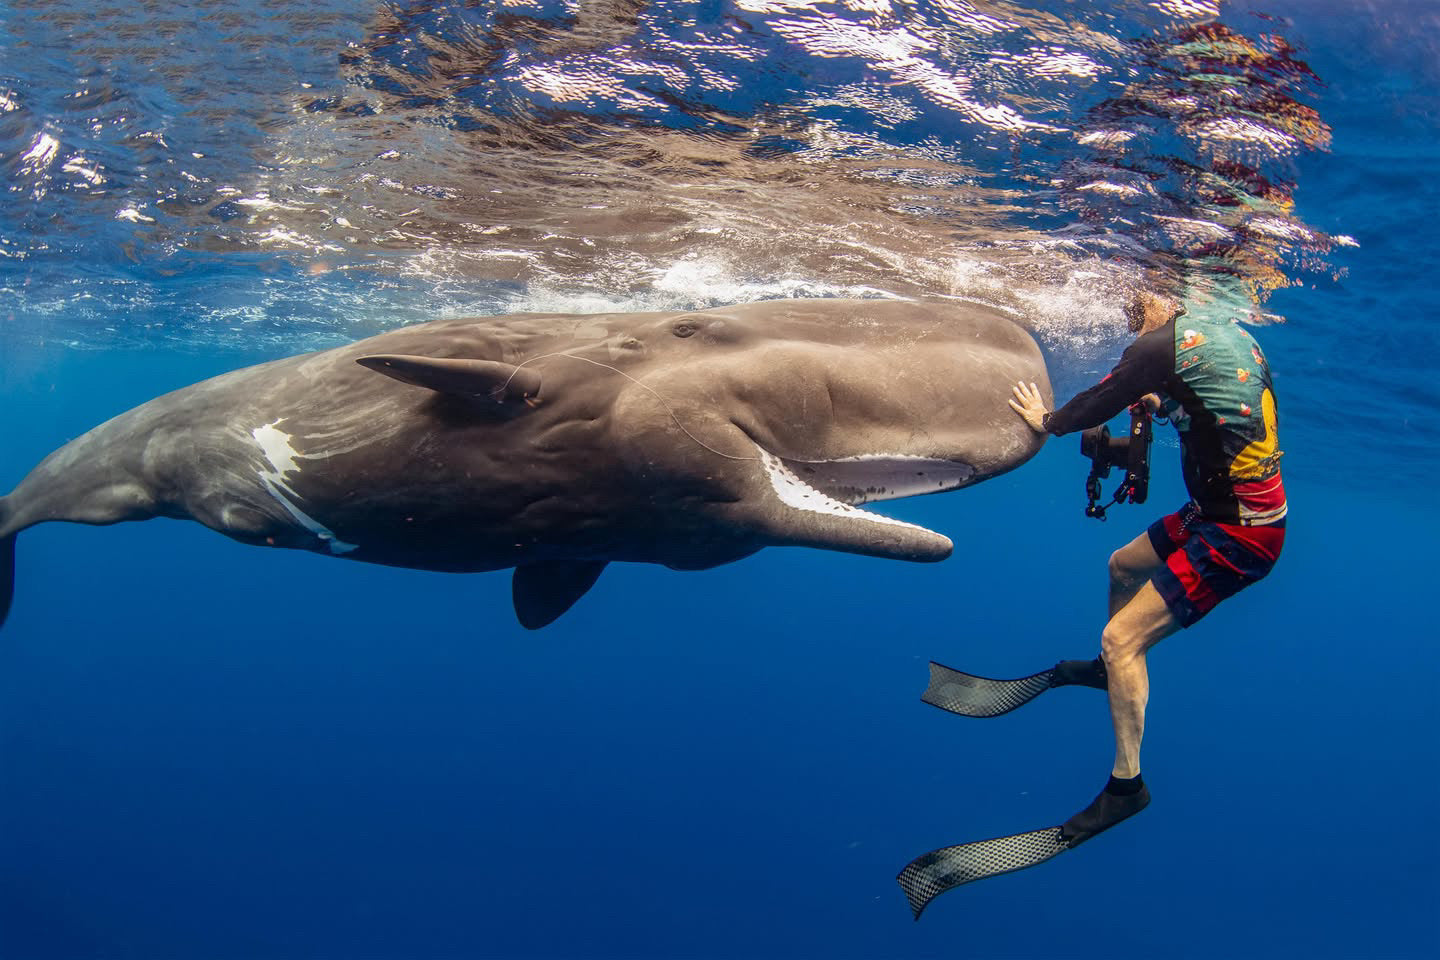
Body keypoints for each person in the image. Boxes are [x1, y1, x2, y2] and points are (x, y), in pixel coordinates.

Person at [1007, 291, 1287, 845]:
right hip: (1220, 510)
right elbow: (1231, 409)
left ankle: (1126, 787)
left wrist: (1047, 419)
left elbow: (1096, 404)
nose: (1132, 324)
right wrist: (1165, 404)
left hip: (1241, 532)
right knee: (1122, 566)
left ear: (1161, 301)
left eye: (1135, 312)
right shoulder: (1229, 335)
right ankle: (1114, 672)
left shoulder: (1158, 347)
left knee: (1122, 638)